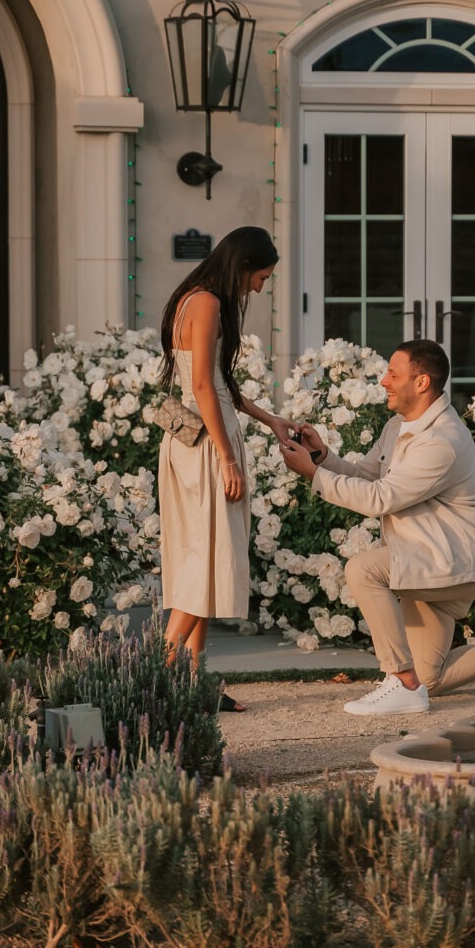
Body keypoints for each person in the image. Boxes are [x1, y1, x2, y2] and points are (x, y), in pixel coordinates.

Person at [280, 339, 475, 715]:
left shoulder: (442, 440)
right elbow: (366, 475)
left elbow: (381, 498)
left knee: (362, 569)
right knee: (431, 679)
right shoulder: (399, 425)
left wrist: (313, 474)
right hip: (426, 556)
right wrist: (322, 457)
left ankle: (400, 680)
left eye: (393, 374)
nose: (383, 381)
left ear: (422, 382)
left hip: (451, 559)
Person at [158, 226, 294, 712]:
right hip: (205, 447)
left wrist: (270, 419)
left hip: (194, 440)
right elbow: (200, 387)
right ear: (241, 265)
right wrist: (227, 457)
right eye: (261, 277)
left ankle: (194, 685)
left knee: (205, 555)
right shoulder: (208, 303)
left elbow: (218, 382)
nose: (259, 287)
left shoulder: (191, 298)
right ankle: (157, 676)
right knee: (204, 560)